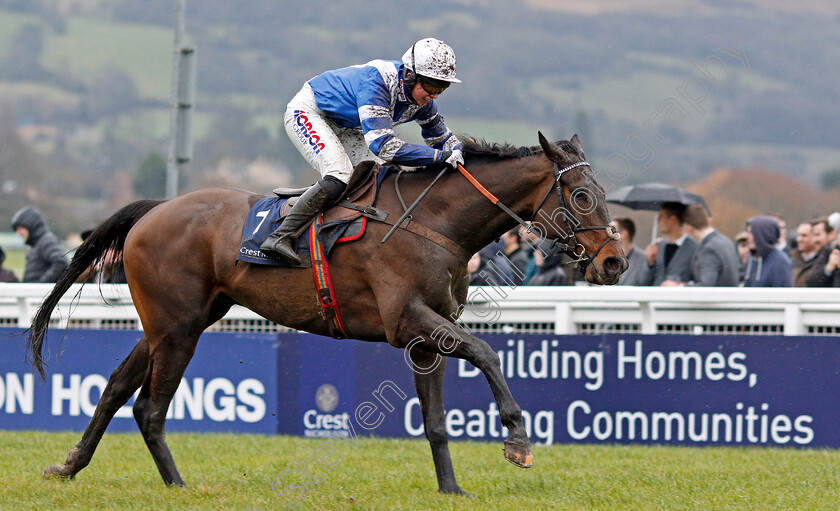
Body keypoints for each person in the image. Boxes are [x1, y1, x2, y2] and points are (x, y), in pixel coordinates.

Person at [260, 38, 464, 264]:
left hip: (347, 125)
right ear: (410, 76)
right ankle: (280, 236)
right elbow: (384, 146)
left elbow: (441, 138)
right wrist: (439, 157)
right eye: (432, 87)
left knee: (383, 177)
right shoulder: (377, 82)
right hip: (310, 112)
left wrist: (463, 154)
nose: (434, 95)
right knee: (340, 175)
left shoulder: (422, 101)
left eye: (441, 88)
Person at [668, 204, 739, 286]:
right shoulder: (726, 241)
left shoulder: (709, 249)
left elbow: (706, 286)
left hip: (717, 298)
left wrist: (679, 287)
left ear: (690, 228)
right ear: (707, 220)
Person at [638, 202, 698, 286]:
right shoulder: (657, 247)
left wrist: (680, 286)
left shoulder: (695, 248)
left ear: (672, 219)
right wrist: (650, 262)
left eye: (661, 216)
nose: (658, 221)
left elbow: (699, 282)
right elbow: (643, 282)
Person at [10, 206, 69, 283]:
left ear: (30, 225)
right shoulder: (36, 244)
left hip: (39, 293)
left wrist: (40, 286)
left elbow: (61, 263)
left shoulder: (46, 241)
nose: (18, 233)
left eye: (20, 228)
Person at [742, 215, 793, 287]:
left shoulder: (780, 262)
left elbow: (784, 295)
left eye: (751, 233)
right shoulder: (752, 258)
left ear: (762, 235)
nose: (747, 236)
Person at [805, 218, 840, 287]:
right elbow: (811, 282)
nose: (814, 239)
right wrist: (828, 268)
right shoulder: (829, 251)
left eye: (817, 235)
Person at [611, 217, 646, 285]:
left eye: (612, 231)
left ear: (624, 234)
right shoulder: (607, 259)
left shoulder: (643, 260)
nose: (608, 235)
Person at [791, 221, 818, 287]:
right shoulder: (792, 258)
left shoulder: (822, 260)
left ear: (815, 237)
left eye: (804, 235)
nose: (799, 239)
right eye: (798, 235)